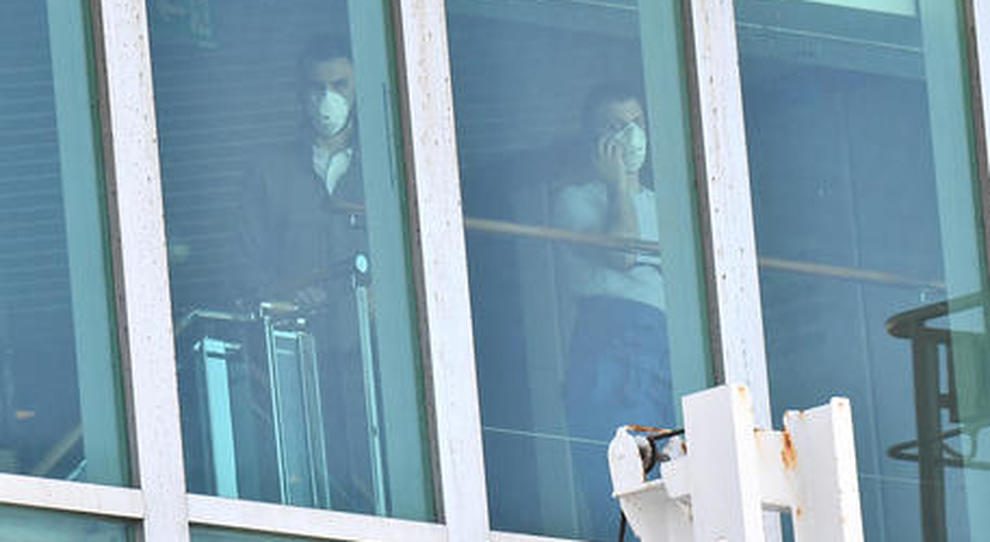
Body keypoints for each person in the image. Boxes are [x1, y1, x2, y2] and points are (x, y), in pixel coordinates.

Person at [234, 34, 375, 513]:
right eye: (317, 87)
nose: (327, 99)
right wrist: (285, 297)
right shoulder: (268, 172)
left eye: (340, 85)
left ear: (359, 87)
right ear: (299, 92)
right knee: (314, 479)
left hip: (374, 359)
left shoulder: (389, 164)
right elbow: (246, 267)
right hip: (297, 359)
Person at [552, 84, 675, 538]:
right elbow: (622, 253)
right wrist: (619, 183)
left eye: (636, 123)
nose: (630, 135)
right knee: (624, 477)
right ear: (594, 141)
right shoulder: (575, 199)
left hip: (663, 344)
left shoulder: (664, 206)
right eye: (615, 127)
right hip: (612, 340)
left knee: (670, 474)